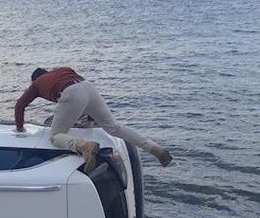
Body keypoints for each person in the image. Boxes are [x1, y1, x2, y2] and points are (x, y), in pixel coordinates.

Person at [14, 67, 173, 172]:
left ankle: (84, 147)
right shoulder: (63, 70)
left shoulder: (36, 84)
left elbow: (20, 105)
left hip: (70, 93)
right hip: (88, 87)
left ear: (34, 79)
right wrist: (90, 123)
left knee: (55, 136)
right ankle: (156, 149)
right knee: (114, 127)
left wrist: (20, 128)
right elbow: (85, 98)